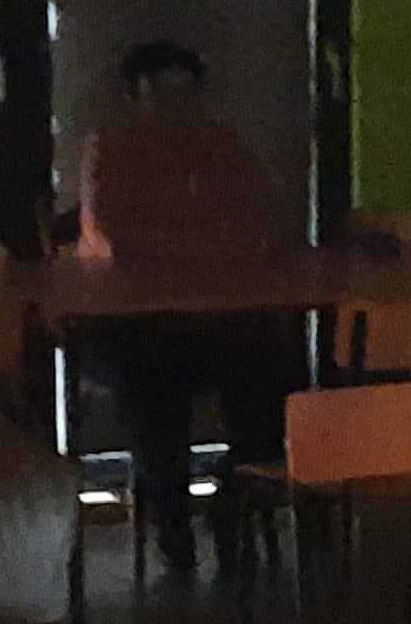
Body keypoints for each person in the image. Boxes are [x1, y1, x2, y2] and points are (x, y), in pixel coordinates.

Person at [76, 40, 301, 573]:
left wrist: (199, 245)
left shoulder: (220, 144)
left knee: (273, 365)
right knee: (155, 382)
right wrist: (213, 245)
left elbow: (262, 225)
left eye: (186, 94)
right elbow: (117, 237)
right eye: (161, 94)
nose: (175, 108)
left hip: (212, 320)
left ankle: (236, 497)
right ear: (133, 97)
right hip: (129, 324)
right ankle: (170, 520)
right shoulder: (110, 148)